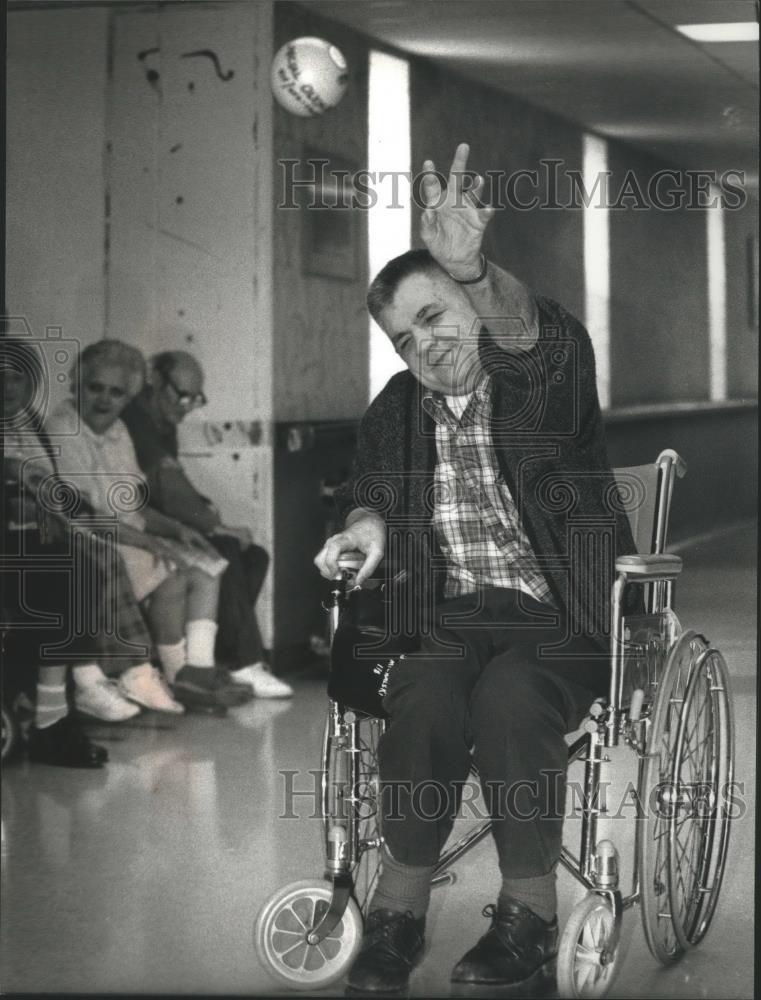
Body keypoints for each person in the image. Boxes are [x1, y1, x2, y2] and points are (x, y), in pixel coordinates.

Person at [314, 144, 637, 995]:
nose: (423, 345)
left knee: (511, 696)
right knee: (417, 692)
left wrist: (470, 266)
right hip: (453, 614)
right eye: (402, 336)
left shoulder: (540, 381)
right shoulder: (397, 407)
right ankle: (397, 911)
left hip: (561, 612)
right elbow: (372, 487)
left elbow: (535, 341)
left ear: (468, 303)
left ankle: (528, 913)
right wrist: (363, 525)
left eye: (433, 314)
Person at [45, 340, 253, 713]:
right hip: (89, 538)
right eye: (96, 388)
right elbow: (85, 516)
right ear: (77, 384)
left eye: (117, 393)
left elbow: (135, 505)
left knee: (206, 566)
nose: (105, 401)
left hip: (128, 532)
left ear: (128, 397)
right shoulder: (64, 430)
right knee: (170, 571)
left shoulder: (119, 430)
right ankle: (173, 674)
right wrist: (153, 543)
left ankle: (197, 672)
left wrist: (173, 529)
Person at [121, 350, 292, 699]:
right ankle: (243, 661)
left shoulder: (163, 423)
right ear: (155, 379)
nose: (187, 405)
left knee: (255, 556)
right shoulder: (135, 418)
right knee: (224, 549)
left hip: (161, 522)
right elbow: (167, 491)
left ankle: (222, 657)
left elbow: (174, 484)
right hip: (141, 526)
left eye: (194, 398)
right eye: (181, 395)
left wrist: (209, 516)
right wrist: (214, 526)